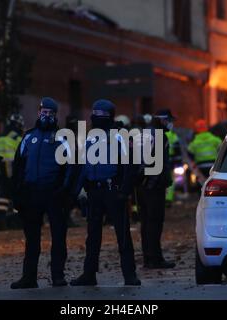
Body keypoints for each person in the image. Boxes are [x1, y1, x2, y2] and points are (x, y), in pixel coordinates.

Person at [70, 99, 140, 287]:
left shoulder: (120, 136)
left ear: (109, 116)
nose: (96, 118)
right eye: (95, 114)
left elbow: (130, 165)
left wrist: (124, 191)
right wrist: (77, 191)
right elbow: (83, 165)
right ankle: (89, 274)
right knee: (92, 236)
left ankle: (129, 275)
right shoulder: (89, 137)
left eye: (100, 115)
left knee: (122, 235)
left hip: (113, 191)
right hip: (94, 191)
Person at [11, 97, 73, 289]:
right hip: (32, 194)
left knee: (58, 236)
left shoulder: (63, 138)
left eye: (50, 113)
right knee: (31, 238)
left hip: (54, 194)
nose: (46, 116)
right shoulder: (28, 137)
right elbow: (18, 166)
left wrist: (63, 191)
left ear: (55, 116)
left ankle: (58, 276)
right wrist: (18, 193)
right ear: (39, 113)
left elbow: (71, 167)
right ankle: (29, 277)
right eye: (44, 112)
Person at [136, 111, 175, 269]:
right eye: (169, 120)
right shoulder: (159, 136)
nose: (171, 124)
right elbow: (155, 163)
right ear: (162, 121)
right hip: (153, 187)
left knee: (146, 223)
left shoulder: (144, 134)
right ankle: (154, 258)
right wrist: (158, 181)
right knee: (154, 223)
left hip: (142, 186)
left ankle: (149, 258)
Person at [0, 113, 24, 229]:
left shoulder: (2, 135)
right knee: (17, 193)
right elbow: (23, 153)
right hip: (12, 167)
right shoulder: (16, 136)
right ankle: (17, 220)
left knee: (4, 195)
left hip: (2, 168)